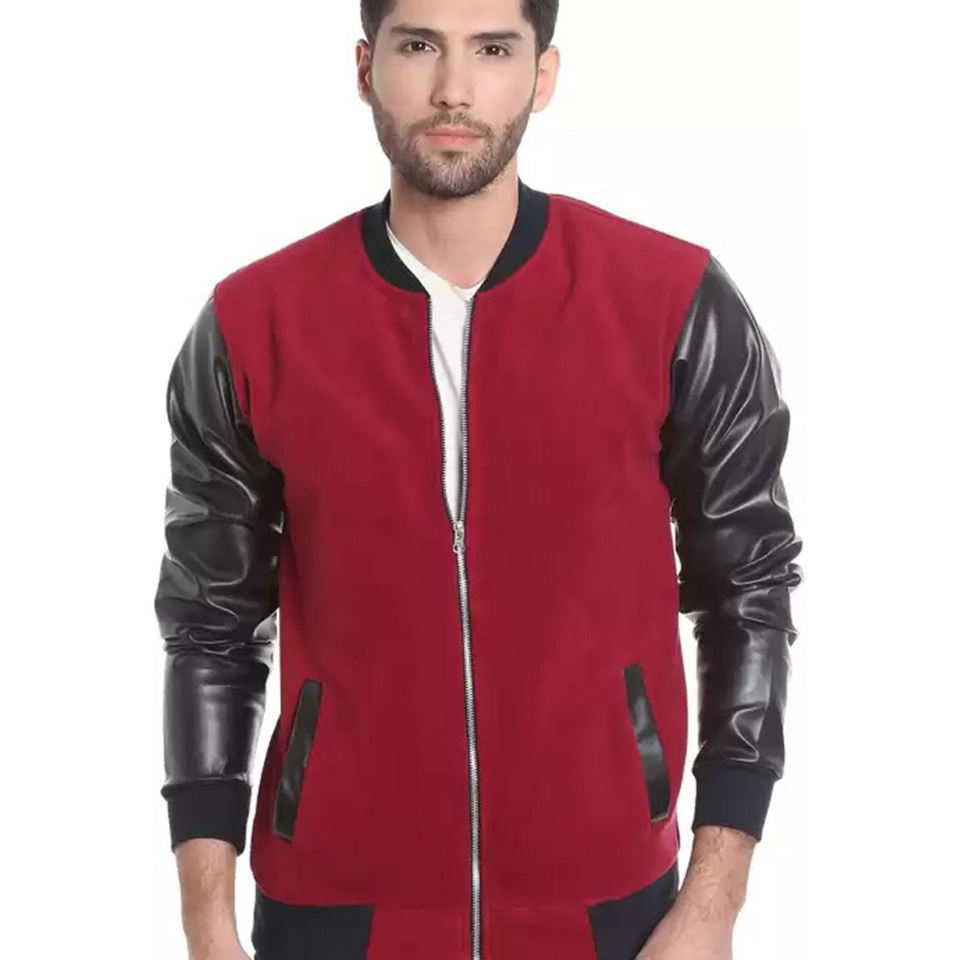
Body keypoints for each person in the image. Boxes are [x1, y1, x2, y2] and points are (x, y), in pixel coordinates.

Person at [153, 2, 803, 959]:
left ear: (541, 75)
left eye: (493, 49)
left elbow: (749, 588)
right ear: (367, 68)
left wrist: (714, 902)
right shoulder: (253, 326)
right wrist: (206, 925)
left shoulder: (673, 302)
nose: (454, 89)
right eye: (420, 45)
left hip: (610, 908)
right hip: (331, 911)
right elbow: (210, 626)